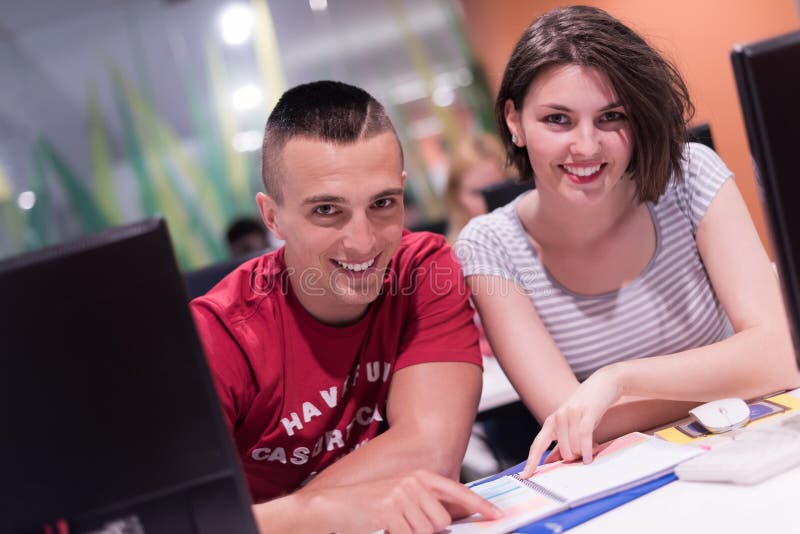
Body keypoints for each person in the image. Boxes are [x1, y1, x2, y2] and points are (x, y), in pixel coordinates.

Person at [455, 5, 800, 478]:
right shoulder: (489, 245)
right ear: (514, 121)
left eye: (611, 116)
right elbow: (575, 426)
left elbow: (782, 355)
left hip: (760, 447)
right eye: (558, 119)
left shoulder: (690, 175)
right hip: (640, 480)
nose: (587, 146)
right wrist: (738, 373)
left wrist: (616, 381)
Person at [191, 80, 500, 531]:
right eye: (326, 211)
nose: (363, 242)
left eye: (382, 203)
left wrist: (272, 518)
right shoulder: (216, 336)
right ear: (272, 216)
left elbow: (431, 455)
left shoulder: (423, 269)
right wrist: (319, 512)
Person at [444, 132, 513, 244]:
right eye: (476, 193)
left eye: (496, 188)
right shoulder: (451, 255)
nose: (488, 199)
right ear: (457, 197)